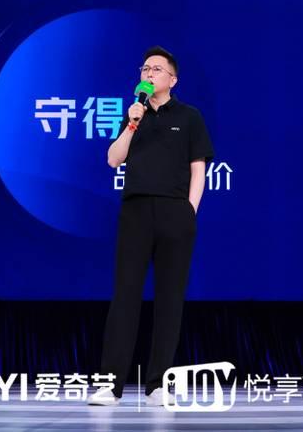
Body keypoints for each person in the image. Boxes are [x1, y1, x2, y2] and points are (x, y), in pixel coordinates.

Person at [87, 46, 215, 407]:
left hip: (175, 213)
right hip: (136, 212)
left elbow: (198, 168)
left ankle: (158, 383)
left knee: (169, 300)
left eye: (156, 69)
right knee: (125, 296)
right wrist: (132, 123)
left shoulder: (189, 117)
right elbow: (113, 159)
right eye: (144, 69)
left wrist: (189, 211)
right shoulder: (134, 114)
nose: (148, 74)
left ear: (172, 79)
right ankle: (110, 384)